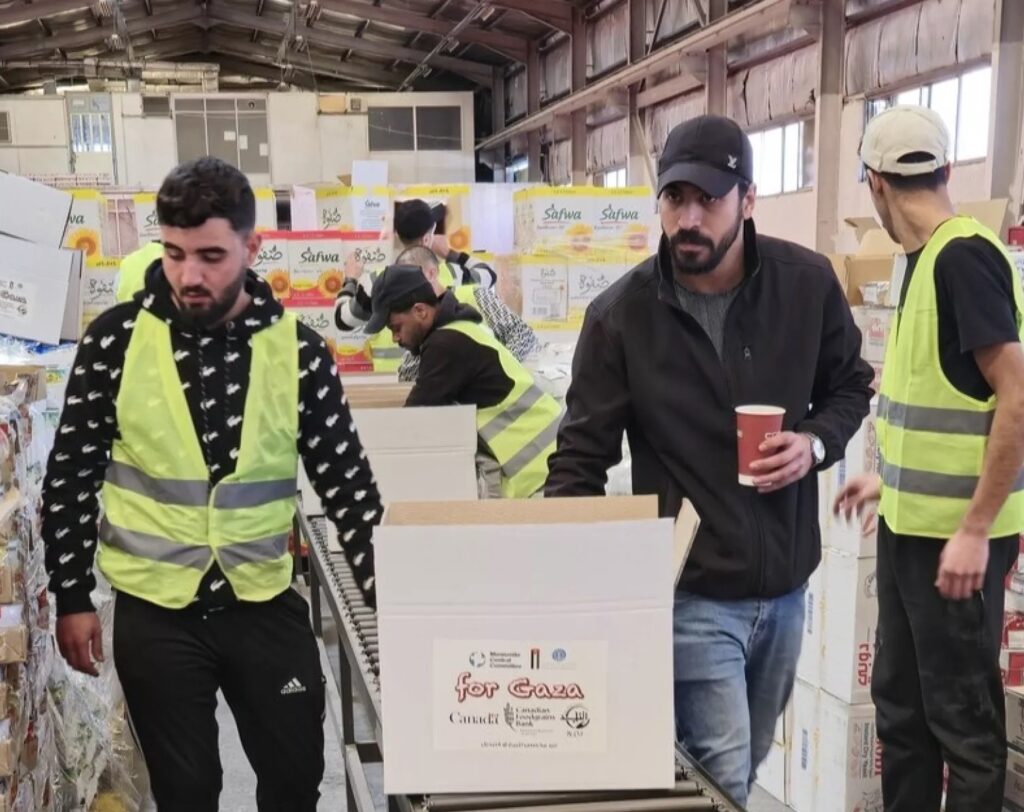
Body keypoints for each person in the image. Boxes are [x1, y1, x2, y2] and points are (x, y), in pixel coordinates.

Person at [544, 114, 874, 806]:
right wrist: (572, 590)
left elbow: (849, 385)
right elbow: (579, 460)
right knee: (721, 778)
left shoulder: (805, 286)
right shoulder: (621, 317)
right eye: (674, 199)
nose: (688, 218)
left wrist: (814, 442)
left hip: (785, 590)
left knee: (739, 766)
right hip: (689, 596)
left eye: (708, 200)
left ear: (747, 200)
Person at [42, 157, 383, 812]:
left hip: (262, 601)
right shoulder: (115, 343)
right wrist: (71, 594)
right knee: (186, 792)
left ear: (252, 248)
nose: (188, 276)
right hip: (156, 611)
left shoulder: (299, 352)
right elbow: (72, 471)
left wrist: (390, 605)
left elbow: (347, 485)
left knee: (294, 784)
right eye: (173, 253)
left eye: (210, 256)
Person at [834, 106, 1024, 812]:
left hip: (957, 545)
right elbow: (952, 401)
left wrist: (975, 530)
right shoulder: (921, 261)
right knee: (904, 714)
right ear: (942, 169)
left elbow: (1016, 397)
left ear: (876, 185)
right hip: (912, 532)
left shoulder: (964, 257)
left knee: (964, 730)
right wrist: (886, 480)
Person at [364, 264, 560, 499]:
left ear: (420, 311)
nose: (395, 337)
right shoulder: (459, 327)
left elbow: (413, 421)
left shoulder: (445, 345)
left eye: (396, 327)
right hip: (546, 462)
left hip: (542, 470)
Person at [335, 198, 498, 372]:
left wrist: (350, 280)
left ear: (397, 234)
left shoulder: (376, 282)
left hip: (390, 381)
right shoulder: (453, 274)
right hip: (442, 375)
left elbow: (342, 320)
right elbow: (488, 274)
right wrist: (449, 253)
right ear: (427, 238)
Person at [391, 245, 540, 382]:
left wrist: (492, 372)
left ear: (432, 273)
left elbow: (522, 335)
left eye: (410, 279)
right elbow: (407, 373)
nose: (407, 288)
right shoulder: (417, 315)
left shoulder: (475, 295)